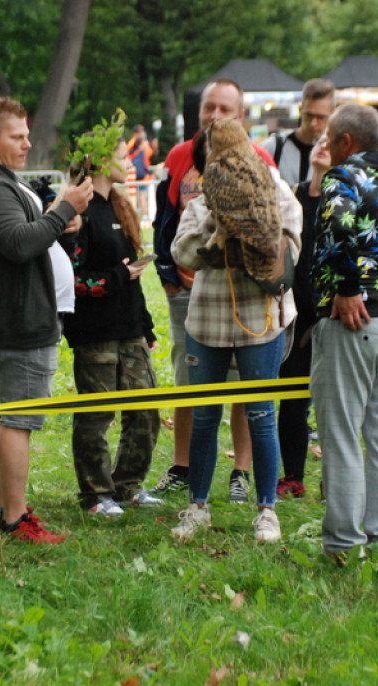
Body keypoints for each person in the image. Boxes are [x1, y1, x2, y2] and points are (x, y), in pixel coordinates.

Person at [0, 96, 93, 543]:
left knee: (11, 414)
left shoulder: (0, 181)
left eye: (26, 134)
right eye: (16, 137)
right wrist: (63, 210)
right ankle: (15, 520)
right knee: (20, 417)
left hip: (19, 315)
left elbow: (28, 235)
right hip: (19, 320)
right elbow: (19, 244)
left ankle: (3, 509)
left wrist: (59, 220)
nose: (26, 143)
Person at [169, 125, 302, 543]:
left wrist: (252, 236)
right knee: (205, 415)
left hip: (259, 317)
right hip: (208, 318)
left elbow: (290, 243)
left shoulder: (273, 184)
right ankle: (197, 505)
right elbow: (182, 250)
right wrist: (221, 224)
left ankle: (267, 510)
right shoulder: (202, 193)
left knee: (261, 414)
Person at [311, 103, 378, 561]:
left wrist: (348, 288)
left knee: (340, 434)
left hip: (357, 318)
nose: (327, 149)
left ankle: (342, 542)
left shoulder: (344, 177)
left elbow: (337, 225)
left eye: (330, 139)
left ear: (347, 142)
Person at [151, 79, 265, 503]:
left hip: (240, 296)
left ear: (240, 115)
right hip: (187, 293)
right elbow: (164, 218)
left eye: (224, 109)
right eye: (208, 108)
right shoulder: (180, 157)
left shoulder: (259, 159)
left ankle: (241, 471)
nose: (214, 116)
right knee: (189, 382)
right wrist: (168, 273)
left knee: (241, 384)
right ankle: (183, 465)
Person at [60, 137, 162, 515]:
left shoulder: (120, 205)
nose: (130, 159)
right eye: (121, 153)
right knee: (98, 414)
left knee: (146, 410)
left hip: (130, 328)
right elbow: (74, 280)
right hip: (95, 332)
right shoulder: (78, 212)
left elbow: (132, 275)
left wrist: (146, 326)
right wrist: (120, 275)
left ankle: (128, 484)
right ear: (98, 160)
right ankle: (96, 494)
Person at [276, 137, 329, 500]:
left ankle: (335, 478)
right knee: (292, 400)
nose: (322, 143)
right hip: (294, 315)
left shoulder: (344, 198)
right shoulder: (292, 195)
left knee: (333, 402)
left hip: (332, 315)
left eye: (330, 138)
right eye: (318, 140)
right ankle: (293, 474)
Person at [261, 79, 336, 188]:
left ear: (332, 115)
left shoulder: (337, 154)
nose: (313, 123)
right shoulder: (274, 147)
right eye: (308, 115)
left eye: (320, 117)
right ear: (300, 109)